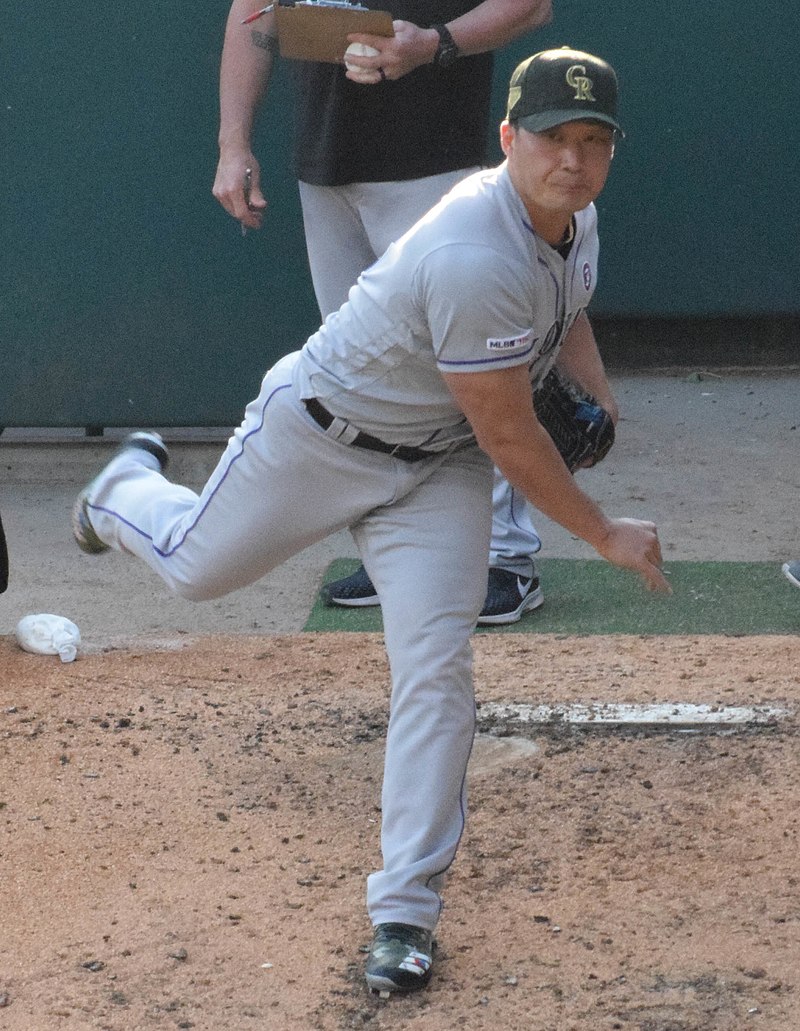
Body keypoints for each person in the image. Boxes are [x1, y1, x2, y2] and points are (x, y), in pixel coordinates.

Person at [73, 48, 670, 994]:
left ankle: (404, 914)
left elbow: (574, 307)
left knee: (436, 668)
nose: (574, 159)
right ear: (508, 138)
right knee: (194, 567)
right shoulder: (473, 250)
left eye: (594, 142)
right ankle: (119, 489)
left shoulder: (576, 218)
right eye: (555, 138)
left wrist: (600, 397)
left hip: (436, 469)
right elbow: (512, 438)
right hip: (319, 441)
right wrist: (604, 531)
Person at [213, 0, 558, 624]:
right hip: (326, 163)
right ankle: (394, 557)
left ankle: (505, 560)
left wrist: (431, 43)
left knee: (473, 368)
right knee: (361, 385)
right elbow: (255, 13)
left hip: (432, 160)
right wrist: (233, 142)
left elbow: (532, 7)